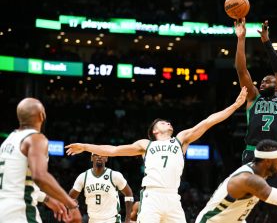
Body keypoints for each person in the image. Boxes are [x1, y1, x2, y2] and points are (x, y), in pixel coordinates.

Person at [65, 87, 248, 223]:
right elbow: (113, 150)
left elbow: (208, 122)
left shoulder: (181, 139)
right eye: (163, 123)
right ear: (154, 131)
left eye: (168, 122)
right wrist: (85, 146)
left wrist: (235, 105)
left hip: (173, 198)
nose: (168, 123)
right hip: (151, 196)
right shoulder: (146, 145)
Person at [234, 18, 277, 222]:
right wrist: (241, 39)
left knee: (274, 208)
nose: (262, 83)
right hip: (252, 153)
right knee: (244, 205)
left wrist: (266, 42)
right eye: (261, 81)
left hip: (275, 154)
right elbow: (242, 71)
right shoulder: (253, 98)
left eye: (267, 80)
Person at [0, 97, 82, 223]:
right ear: (42, 115)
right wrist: (71, 204)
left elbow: (15, 185)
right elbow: (40, 176)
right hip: (20, 213)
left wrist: (47, 199)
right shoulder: (36, 138)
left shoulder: (8, 141)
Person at [69, 153, 133, 223]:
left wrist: (127, 219)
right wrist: (75, 209)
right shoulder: (84, 176)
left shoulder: (114, 175)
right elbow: (71, 197)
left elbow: (128, 193)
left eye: (102, 154)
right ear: (91, 158)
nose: (99, 156)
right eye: (96, 154)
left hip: (112, 220)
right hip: (92, 220)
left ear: (106, 158)